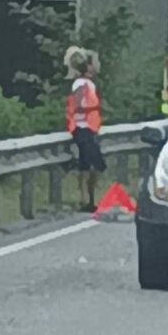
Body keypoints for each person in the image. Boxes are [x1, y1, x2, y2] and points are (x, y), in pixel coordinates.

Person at [65, 46, 106, 213]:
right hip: (83, 128)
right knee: (93, 165)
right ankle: (86, 199)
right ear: (88, 66)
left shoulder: (88, 84)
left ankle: (88, 199)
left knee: (87, 165)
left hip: (89, 128)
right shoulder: (81, 84)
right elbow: (78, 103)